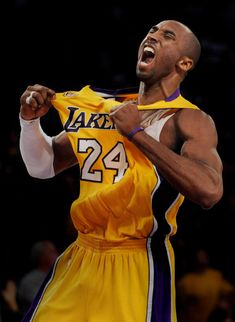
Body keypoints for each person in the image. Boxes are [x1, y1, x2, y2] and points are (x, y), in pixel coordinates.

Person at [18, 20, 223, 322]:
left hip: (138, 259)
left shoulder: (189, 119)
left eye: (167, 36)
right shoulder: (104, 108)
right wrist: (30, 122)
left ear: (185, 62)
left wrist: (136, 134)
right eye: (151, 31)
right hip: (81, 254)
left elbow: (209, 191)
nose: (152, 35)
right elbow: (42, 166)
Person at [177, 248, 235, 322]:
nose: (203, 257)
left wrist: (226, 307)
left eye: (204, 255)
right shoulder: (185, 281)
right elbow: (182, 306)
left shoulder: (215, 275)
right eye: (200, 255)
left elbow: (230, 292)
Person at [17, 240, 59, 316]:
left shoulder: (58, 275)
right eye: (52, 252)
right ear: (42, 257)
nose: (57, 254)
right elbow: (40, 303)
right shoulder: (30, 280)